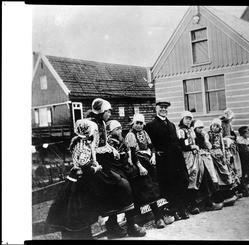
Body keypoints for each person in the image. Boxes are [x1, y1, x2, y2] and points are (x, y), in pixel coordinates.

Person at [46, 119, 134, 240]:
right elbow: (85, 165)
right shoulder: (83, 146)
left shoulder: (82, 142)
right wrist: (96, 168)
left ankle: (85, 235)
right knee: (79, 211)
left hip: (79, 179)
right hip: (79, 181)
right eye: (94, 132)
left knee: (83, 212)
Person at [86, 98, 146, 238]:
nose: (109, 114)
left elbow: (104, 143)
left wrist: (111, 149)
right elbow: (92, 146)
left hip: (108, 160)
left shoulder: (101, 123)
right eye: (107, 111)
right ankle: (116, 226)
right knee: (122, 185)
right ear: (100, 111)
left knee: (128, 180)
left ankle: (127, 224)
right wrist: (99, 158)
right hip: (99, 163)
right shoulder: (92, 124)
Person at [144, 101, 190, 221]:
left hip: (176, 159)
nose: (164, 109)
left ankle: (179, 209)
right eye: (161, 107)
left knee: (183, 181)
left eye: (165, 108)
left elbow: (175, 142)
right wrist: (156, 153)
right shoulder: (150, 125)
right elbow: (150, 144)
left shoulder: (171, 125)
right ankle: (173, 211)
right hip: (164, 161)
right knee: (170, 186)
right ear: (156, 109)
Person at [123, 114, 166, 229]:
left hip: (148, 162)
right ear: (133, 123)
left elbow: (152, 146)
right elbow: (132, 152)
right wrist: (140, 167)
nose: (139, 125)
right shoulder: (130, 135)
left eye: (141, 123)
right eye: (137, 123)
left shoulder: (145, 133)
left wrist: (153, 156)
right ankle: (141, 219)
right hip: (138, 164)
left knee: (152, 188)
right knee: (143, 189)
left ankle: (158, 217)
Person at [177, 112, 219, 214]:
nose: (188, 121)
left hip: (196, 156)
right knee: (192, 179)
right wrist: (192, 147)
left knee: (203, 176)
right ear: (182, 119)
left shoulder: (191, 130)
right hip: (187, 157)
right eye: (186, 118)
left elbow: (196, 141)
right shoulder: (180, 131)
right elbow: (182, 145)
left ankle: (208, 203)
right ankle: (192, 205)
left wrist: (197, 145)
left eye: (190, 119)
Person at [193, 119, 224, 211]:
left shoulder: (203, 135)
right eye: (199, 128)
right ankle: (207, 203)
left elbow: (209, 146)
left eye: (202, 127)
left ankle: (216, 200)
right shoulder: (193, 136)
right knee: (203, 178)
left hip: (205, 156)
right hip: (197, 159)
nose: (201, 129)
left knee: (212, 176)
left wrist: (206, 140)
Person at [207, 118, 237, 206]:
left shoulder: (220, 135)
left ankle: (227, 194)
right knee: (216, 175)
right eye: (213, 126)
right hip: (212, 155)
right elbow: (208, 144)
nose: (215, 128)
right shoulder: (209, 134)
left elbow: (222, 146)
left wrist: (224, 156)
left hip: (220, 154)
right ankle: (219, 195)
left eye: (217, 126)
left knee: (225, 173)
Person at [220, 109, 243, 196]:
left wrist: (232, 136)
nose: (230, 120)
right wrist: (230, 137)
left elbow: (233, 134)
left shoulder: (229, 124)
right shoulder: (222, 124)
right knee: (230, 167)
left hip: (231, 146)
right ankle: (233, 189)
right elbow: (224, 136)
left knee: (235, 167)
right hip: (226, 147)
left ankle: (237, 188)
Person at [237, 126, 249, 197]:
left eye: (248, 133)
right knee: (244, 170)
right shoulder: (239, 140)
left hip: (248, 157)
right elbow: (242, 150)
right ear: (242, 133)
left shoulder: (248, 139)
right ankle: (245, 186)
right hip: (243, 158)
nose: (248, 135)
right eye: (246, 133)